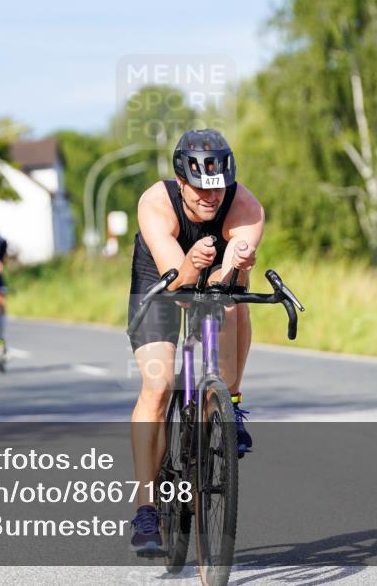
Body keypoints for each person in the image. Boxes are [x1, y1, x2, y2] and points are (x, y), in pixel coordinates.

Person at [126, 129, 264, 554]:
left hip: (212, 272)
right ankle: (147, 508)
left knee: (233, 303)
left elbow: (227, 281)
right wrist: (191, 264)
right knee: (159, 385)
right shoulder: (155, 203)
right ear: (181, 182)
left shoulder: (245, 205)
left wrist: (236, 267)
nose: (210, 198)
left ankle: (229, 405)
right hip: (161, 278)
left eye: (217, 190)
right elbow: (178, 285)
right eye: (201, 190)